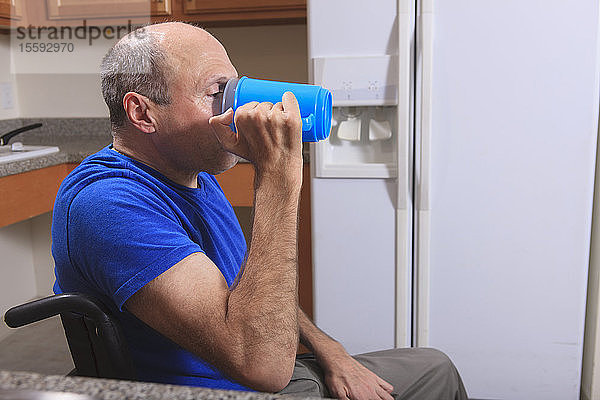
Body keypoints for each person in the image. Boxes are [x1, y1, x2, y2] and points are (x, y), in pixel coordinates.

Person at [51, 22, 468, 400]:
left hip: (259, 359)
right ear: (143, 112)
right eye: (217, 93)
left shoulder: (191, 170)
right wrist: (278, 181)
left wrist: (330, 351)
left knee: (434, 364)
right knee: (434, 376)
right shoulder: (108, 204)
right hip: (226, 385)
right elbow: (262, 368)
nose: (237, 109)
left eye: (236, 86)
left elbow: (248, 289)